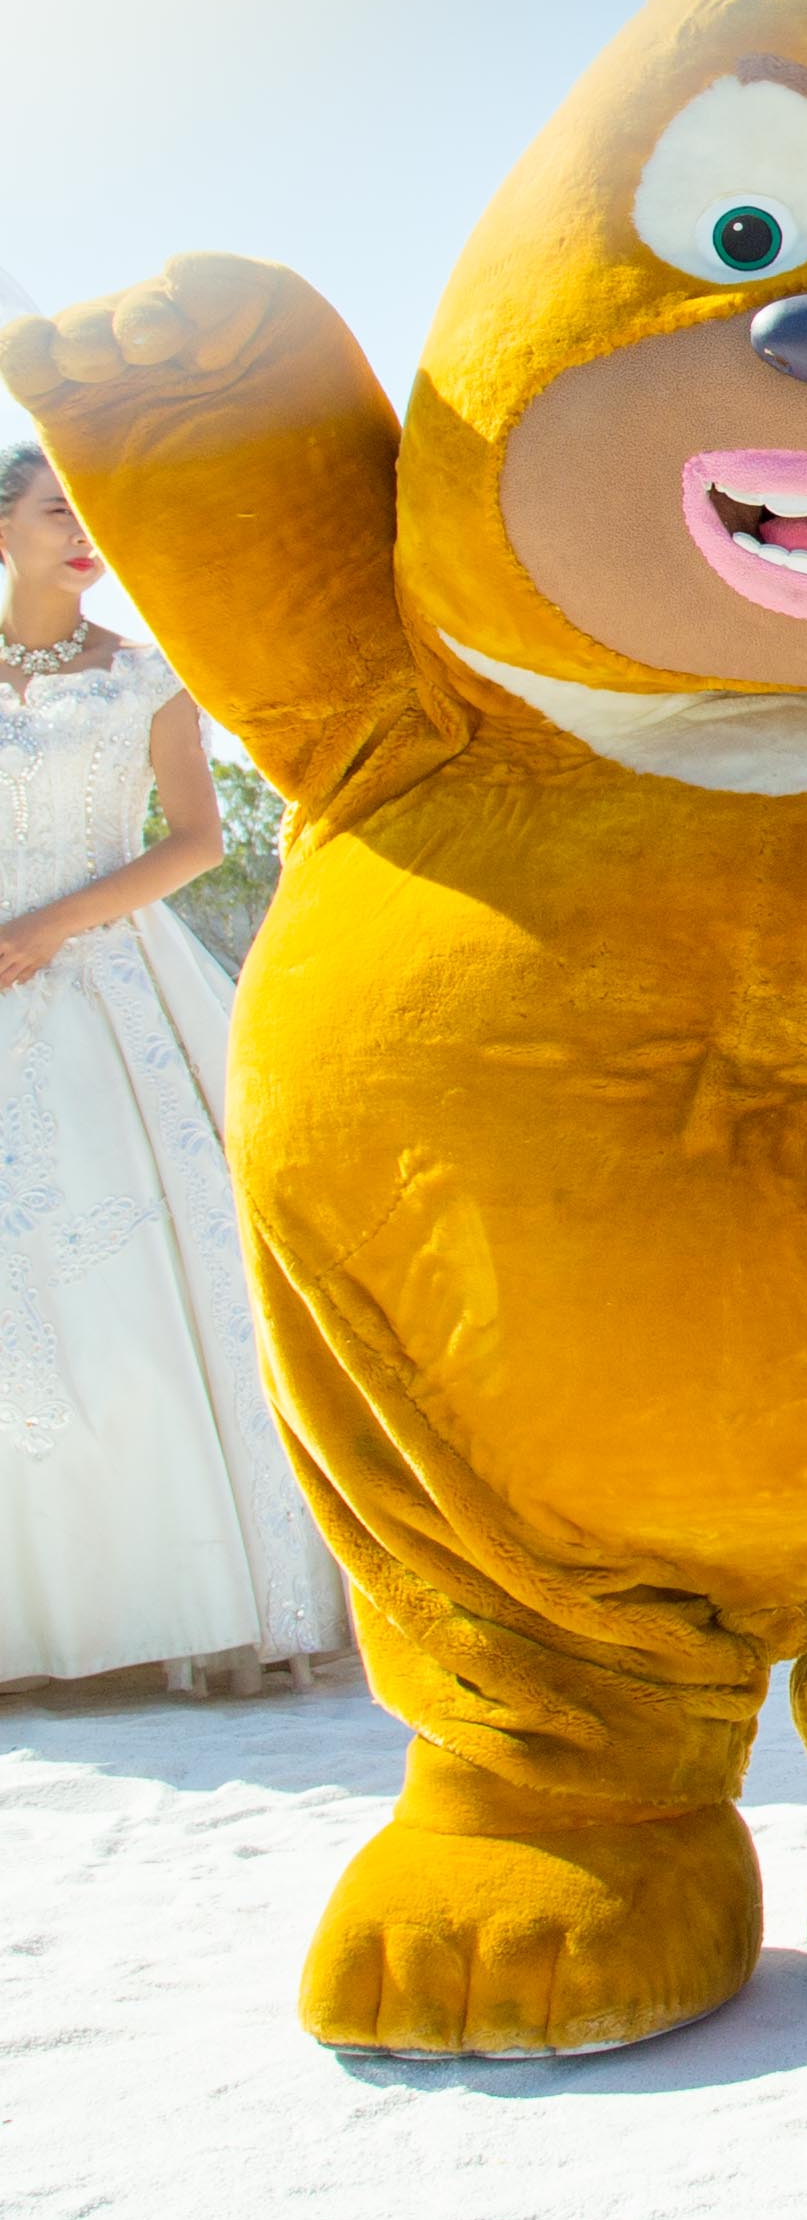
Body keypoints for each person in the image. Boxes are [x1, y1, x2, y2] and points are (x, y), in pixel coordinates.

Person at [0, 443, 347, 1689]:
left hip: (107, 984)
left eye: (96, 515)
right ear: (2, 528)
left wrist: (52, 924)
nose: (84, 532)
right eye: (57, 512)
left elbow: (199, 841)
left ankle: (187, 1598)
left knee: (140, 1268)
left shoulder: (149, 678)